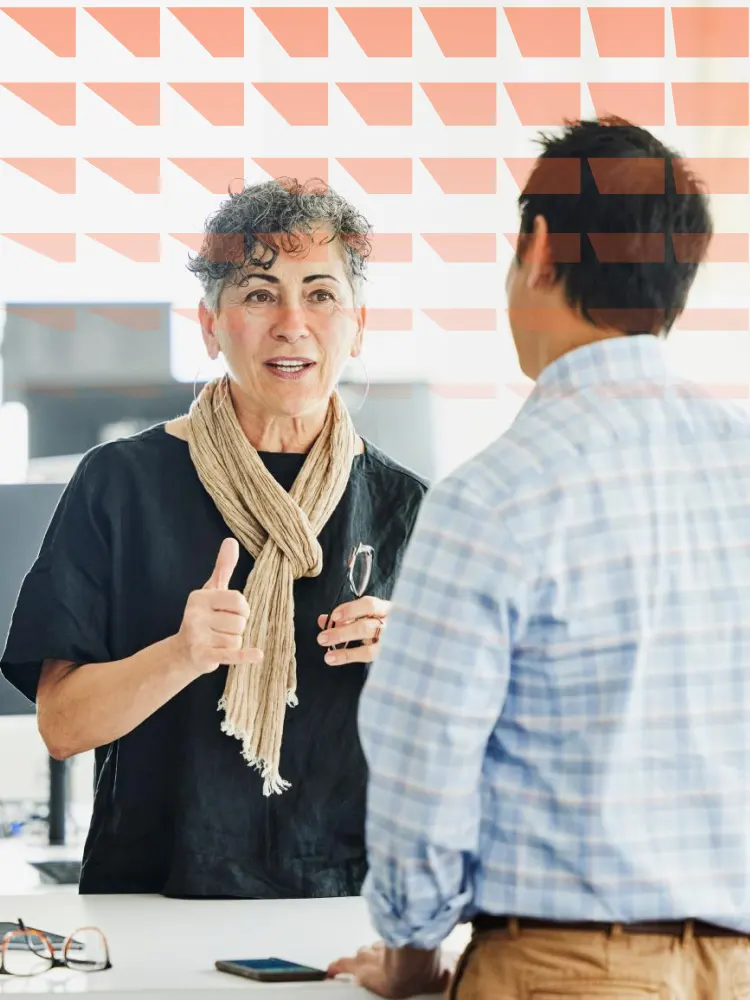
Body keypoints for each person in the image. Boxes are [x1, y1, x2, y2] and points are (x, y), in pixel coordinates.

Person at [329, 118, 750, 999]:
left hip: (561, 969)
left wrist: (411, 953)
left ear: (543, 248)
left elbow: (423, 762)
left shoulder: (495, 496)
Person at [0, 177, 428, 897]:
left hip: (342, 901)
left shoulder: (404, 505)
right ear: (210, 324)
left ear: (357, 325)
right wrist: (180, 655)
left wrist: (416, 662)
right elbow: (62, 727)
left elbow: (456, 749)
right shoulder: (119, 485)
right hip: (157, 895)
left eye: (320, 294)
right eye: (259, 293)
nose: (292, 323)